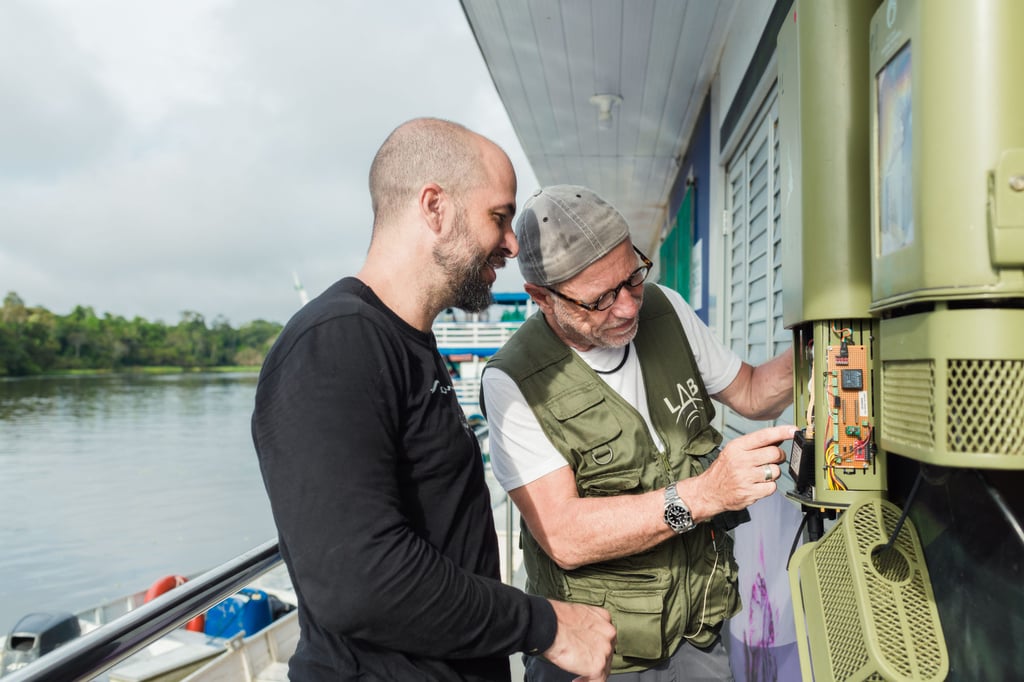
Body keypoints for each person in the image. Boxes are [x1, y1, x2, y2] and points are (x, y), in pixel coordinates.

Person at [251, 123, 615, 681]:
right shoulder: (334, 343)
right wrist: (546, 624)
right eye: (499, 216)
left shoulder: (409, 341)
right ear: (434, 207)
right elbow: (359, 580)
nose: (514, 244)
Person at [480, 185, 796, 681]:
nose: (627, 307)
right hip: (599, 658)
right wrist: (705, 494)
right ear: (542, 298)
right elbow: (564, 535)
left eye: (632, 279)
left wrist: (824, 341)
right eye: (600, 298)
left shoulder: (665, 309)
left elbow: (754, 393)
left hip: (698, 634)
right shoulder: (515, 382)